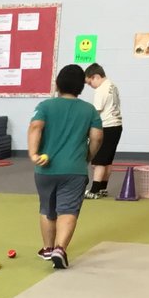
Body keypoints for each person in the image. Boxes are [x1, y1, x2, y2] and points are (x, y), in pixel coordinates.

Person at [28, 65, 103, 269]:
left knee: (47, 209)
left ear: (58, 83)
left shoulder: (45, 106)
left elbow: (35, 127)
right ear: (81, 87)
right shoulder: (89, 110)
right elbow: (97, 137)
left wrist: (33, 154)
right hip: (74, 169)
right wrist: (88, 156)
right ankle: (60, 248)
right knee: (68, 210)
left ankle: (47, 248)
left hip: (45, 168)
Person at [84, 63, 123, 198]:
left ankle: (94, 191)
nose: (90, 86)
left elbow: (96, 112)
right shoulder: (112, 85)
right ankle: (102, 188)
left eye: (90, 83)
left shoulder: (100, 90)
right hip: (117, 126)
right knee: (107, 160)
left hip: (106, 126)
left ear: (96, 76)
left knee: (99, 161)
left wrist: (86, 127)